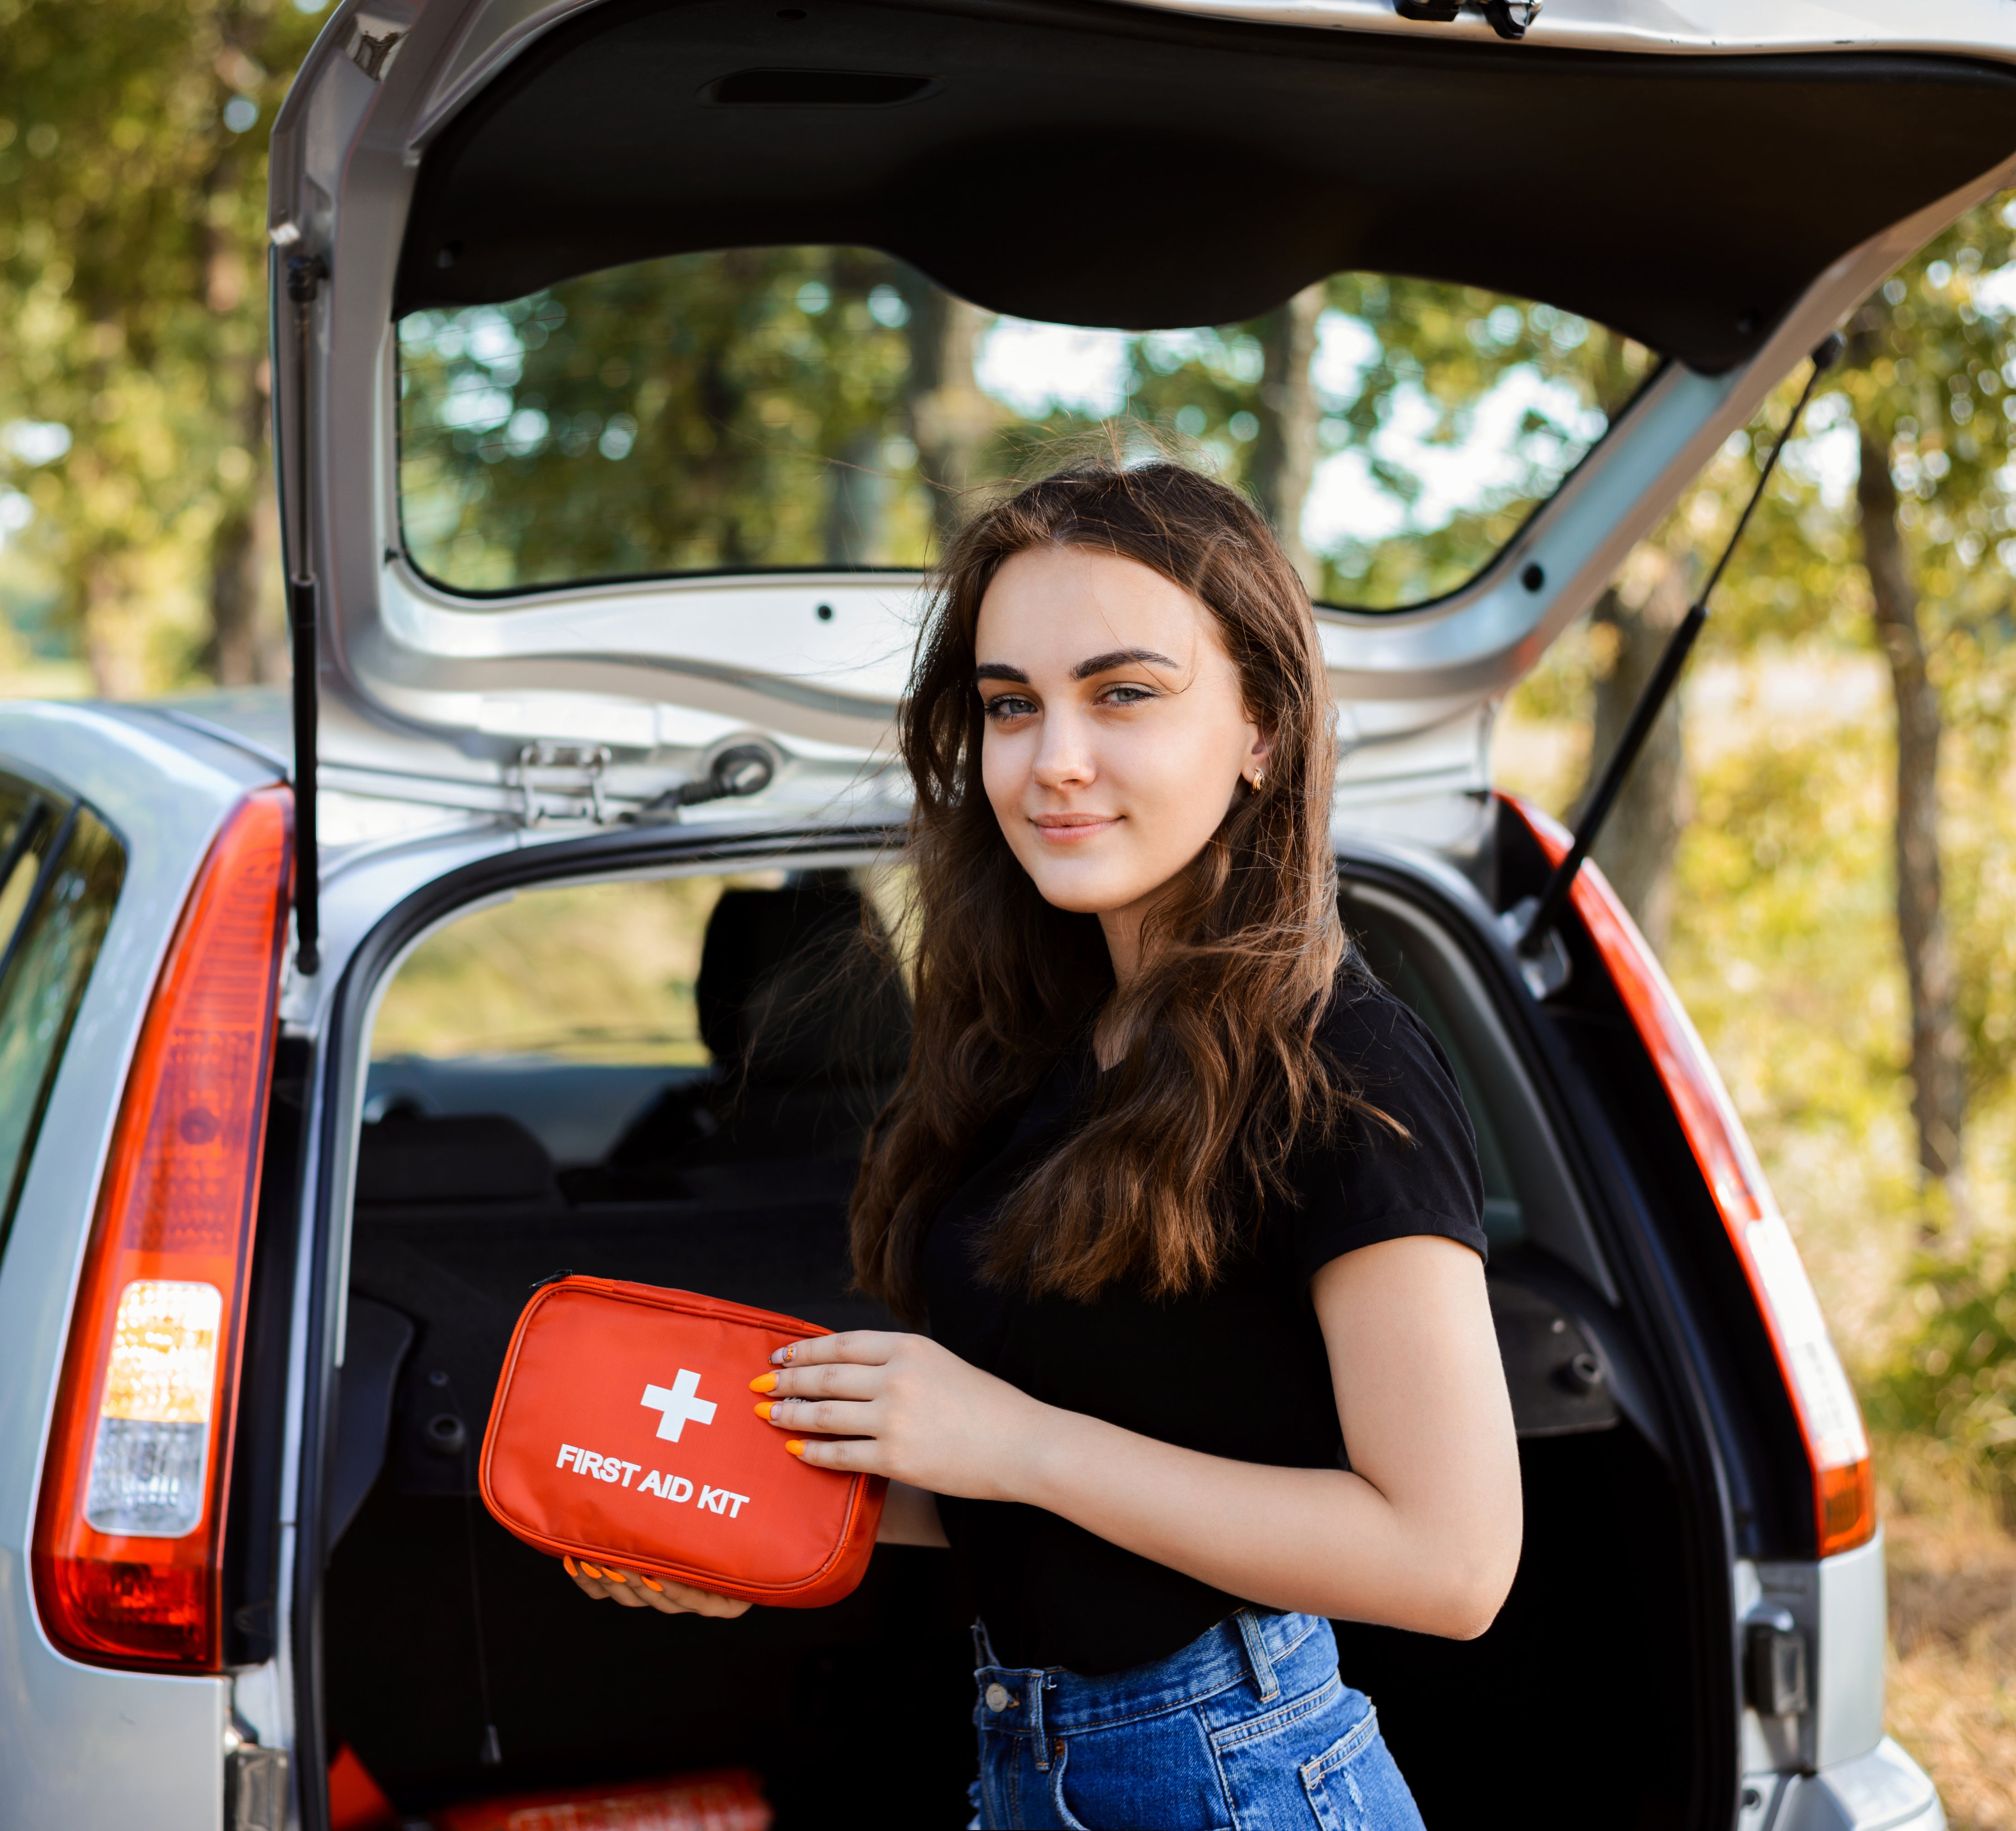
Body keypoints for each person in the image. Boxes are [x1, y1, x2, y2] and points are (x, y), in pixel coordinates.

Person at [565, 454, 1521, 1830]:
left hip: (1237, 1772)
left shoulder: (1344, 1066)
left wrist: (1015, 1443)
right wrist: (747, 1525)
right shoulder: (1052, 1051)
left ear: (1263, 726)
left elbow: (1453, 1561)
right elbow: (1025, 1484)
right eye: (1011, 705)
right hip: (1038, 1754)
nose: (1051, 760)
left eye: (1123, 692)